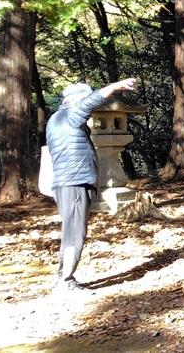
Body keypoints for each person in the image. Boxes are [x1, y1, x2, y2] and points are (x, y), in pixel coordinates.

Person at [46, 77, 139, 291]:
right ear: (75, 101)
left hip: (63, 182)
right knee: (76, 232)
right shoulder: (71, 116)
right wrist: (116, 86)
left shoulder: (54, 120)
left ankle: (63, 276)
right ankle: (66, 281)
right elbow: (91, 102)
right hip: (76, 181)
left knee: (70, 229)